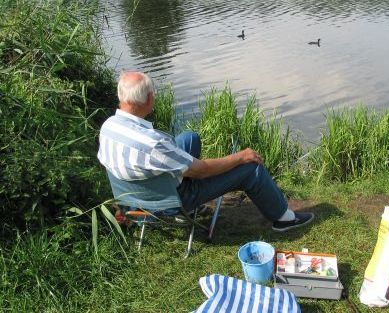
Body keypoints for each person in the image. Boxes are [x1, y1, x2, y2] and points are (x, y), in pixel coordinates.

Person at [97, 71, 314, 232]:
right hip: (168, 203)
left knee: (189, 138)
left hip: (133, 200)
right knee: (250, 168)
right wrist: (240, 156)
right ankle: (284, 218)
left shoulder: (108, 127)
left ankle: (184, 198)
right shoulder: (153, 143)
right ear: (149, 100)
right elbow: (202, 171)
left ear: (121, 96)